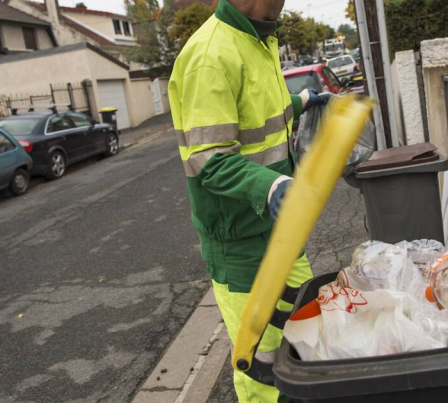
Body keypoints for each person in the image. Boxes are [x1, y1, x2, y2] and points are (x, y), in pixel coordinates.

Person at [167, 0, 328, 401]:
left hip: (281, 231)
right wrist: (270, 188)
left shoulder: (259, 38)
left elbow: (259, 112)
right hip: (242, 246)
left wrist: (302, 101)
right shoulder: (210, 56)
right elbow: (209, 156)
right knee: (265, 370)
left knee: (309, 346)